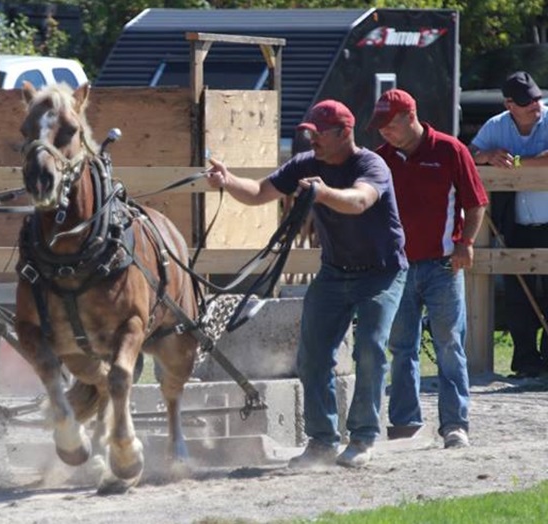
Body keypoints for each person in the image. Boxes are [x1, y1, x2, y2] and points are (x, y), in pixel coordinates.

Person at [205, 100, 407, 468]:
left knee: (370, 348)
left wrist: (322, 192)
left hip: (381, 272)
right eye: (309, 133)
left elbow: (359, 201)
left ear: (344, 133)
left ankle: (362, 438)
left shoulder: (371, 165)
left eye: (318, 133)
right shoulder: (305, 165)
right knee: (312, 356)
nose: (310, 139)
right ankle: (322, 441)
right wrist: (228, 179)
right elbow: (259, 192)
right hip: (334, 272)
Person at [370, 89, 488, 449]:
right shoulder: (380, 160)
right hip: (398, 268)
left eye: (389, 125)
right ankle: (405, 423)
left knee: (449, 344)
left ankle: (455, 424)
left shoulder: (451, 150)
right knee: (400, 345)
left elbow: (475, 202)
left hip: (443, 265)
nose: (383, 133)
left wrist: (465, 244)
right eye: (380, 127)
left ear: (410, 117)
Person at [469, 71, 548, 379]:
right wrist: (487, 155)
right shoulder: (495, 126)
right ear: (510, 104)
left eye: (538, 98)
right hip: (515, 223)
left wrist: (515, 163)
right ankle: (526, 362)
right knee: (519, 295)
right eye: (527, 102)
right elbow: (471, 154)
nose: (535, 106)